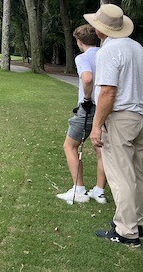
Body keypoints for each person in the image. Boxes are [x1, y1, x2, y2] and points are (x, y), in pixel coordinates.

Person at [85, 4, 143, 248]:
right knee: (136, 173)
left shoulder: (109, 51)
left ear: (101, 29)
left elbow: (108, 92)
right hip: (141, 118)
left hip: (121, 118)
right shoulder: (139, 49)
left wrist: (96, 126)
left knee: (121, 175)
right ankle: (136, 223)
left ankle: (126, 232)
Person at [56, 24, 107, 204]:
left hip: (89, 108)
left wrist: (86, 99)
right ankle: (99, 192)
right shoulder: (105, 54)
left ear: (79, 41)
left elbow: (87, 78)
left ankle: (79, 190)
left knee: (69, 146)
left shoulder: (83, 58)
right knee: (101, 150)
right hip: (106, 107)